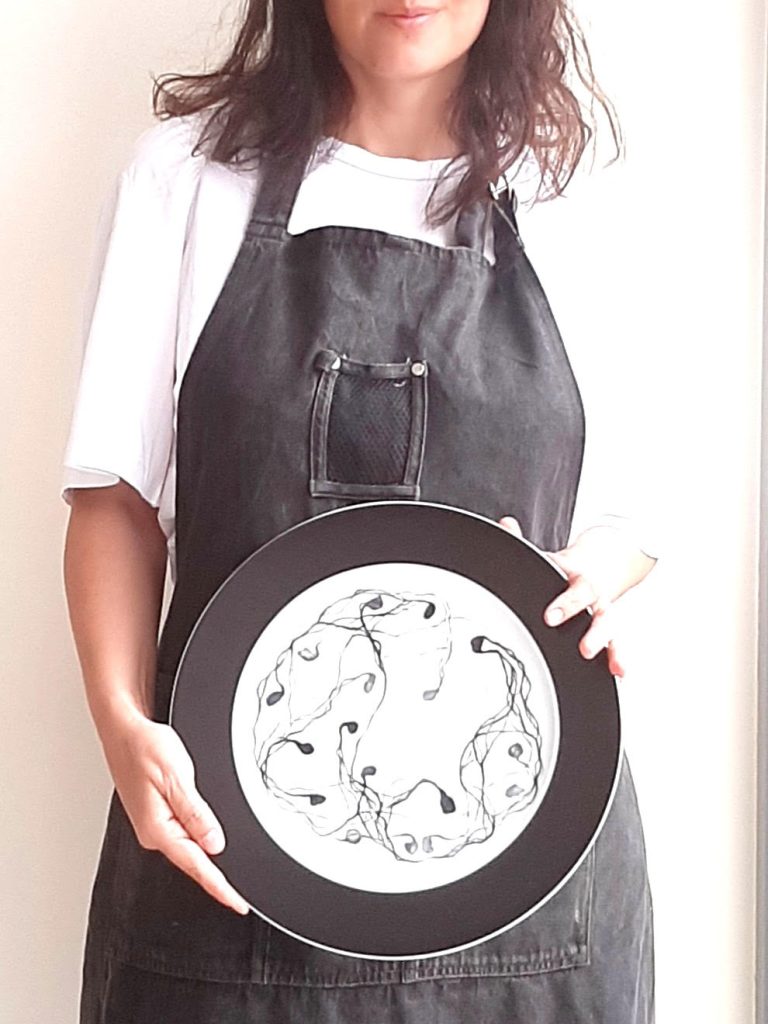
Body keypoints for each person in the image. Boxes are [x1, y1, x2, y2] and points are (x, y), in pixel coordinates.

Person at [62, 1, 656, 1021]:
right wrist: (119, 722)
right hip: (223, 875)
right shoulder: (184, 178)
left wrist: (593, 571)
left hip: (532, 914)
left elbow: (634, 509)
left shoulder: (575, 190)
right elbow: (114, 496)